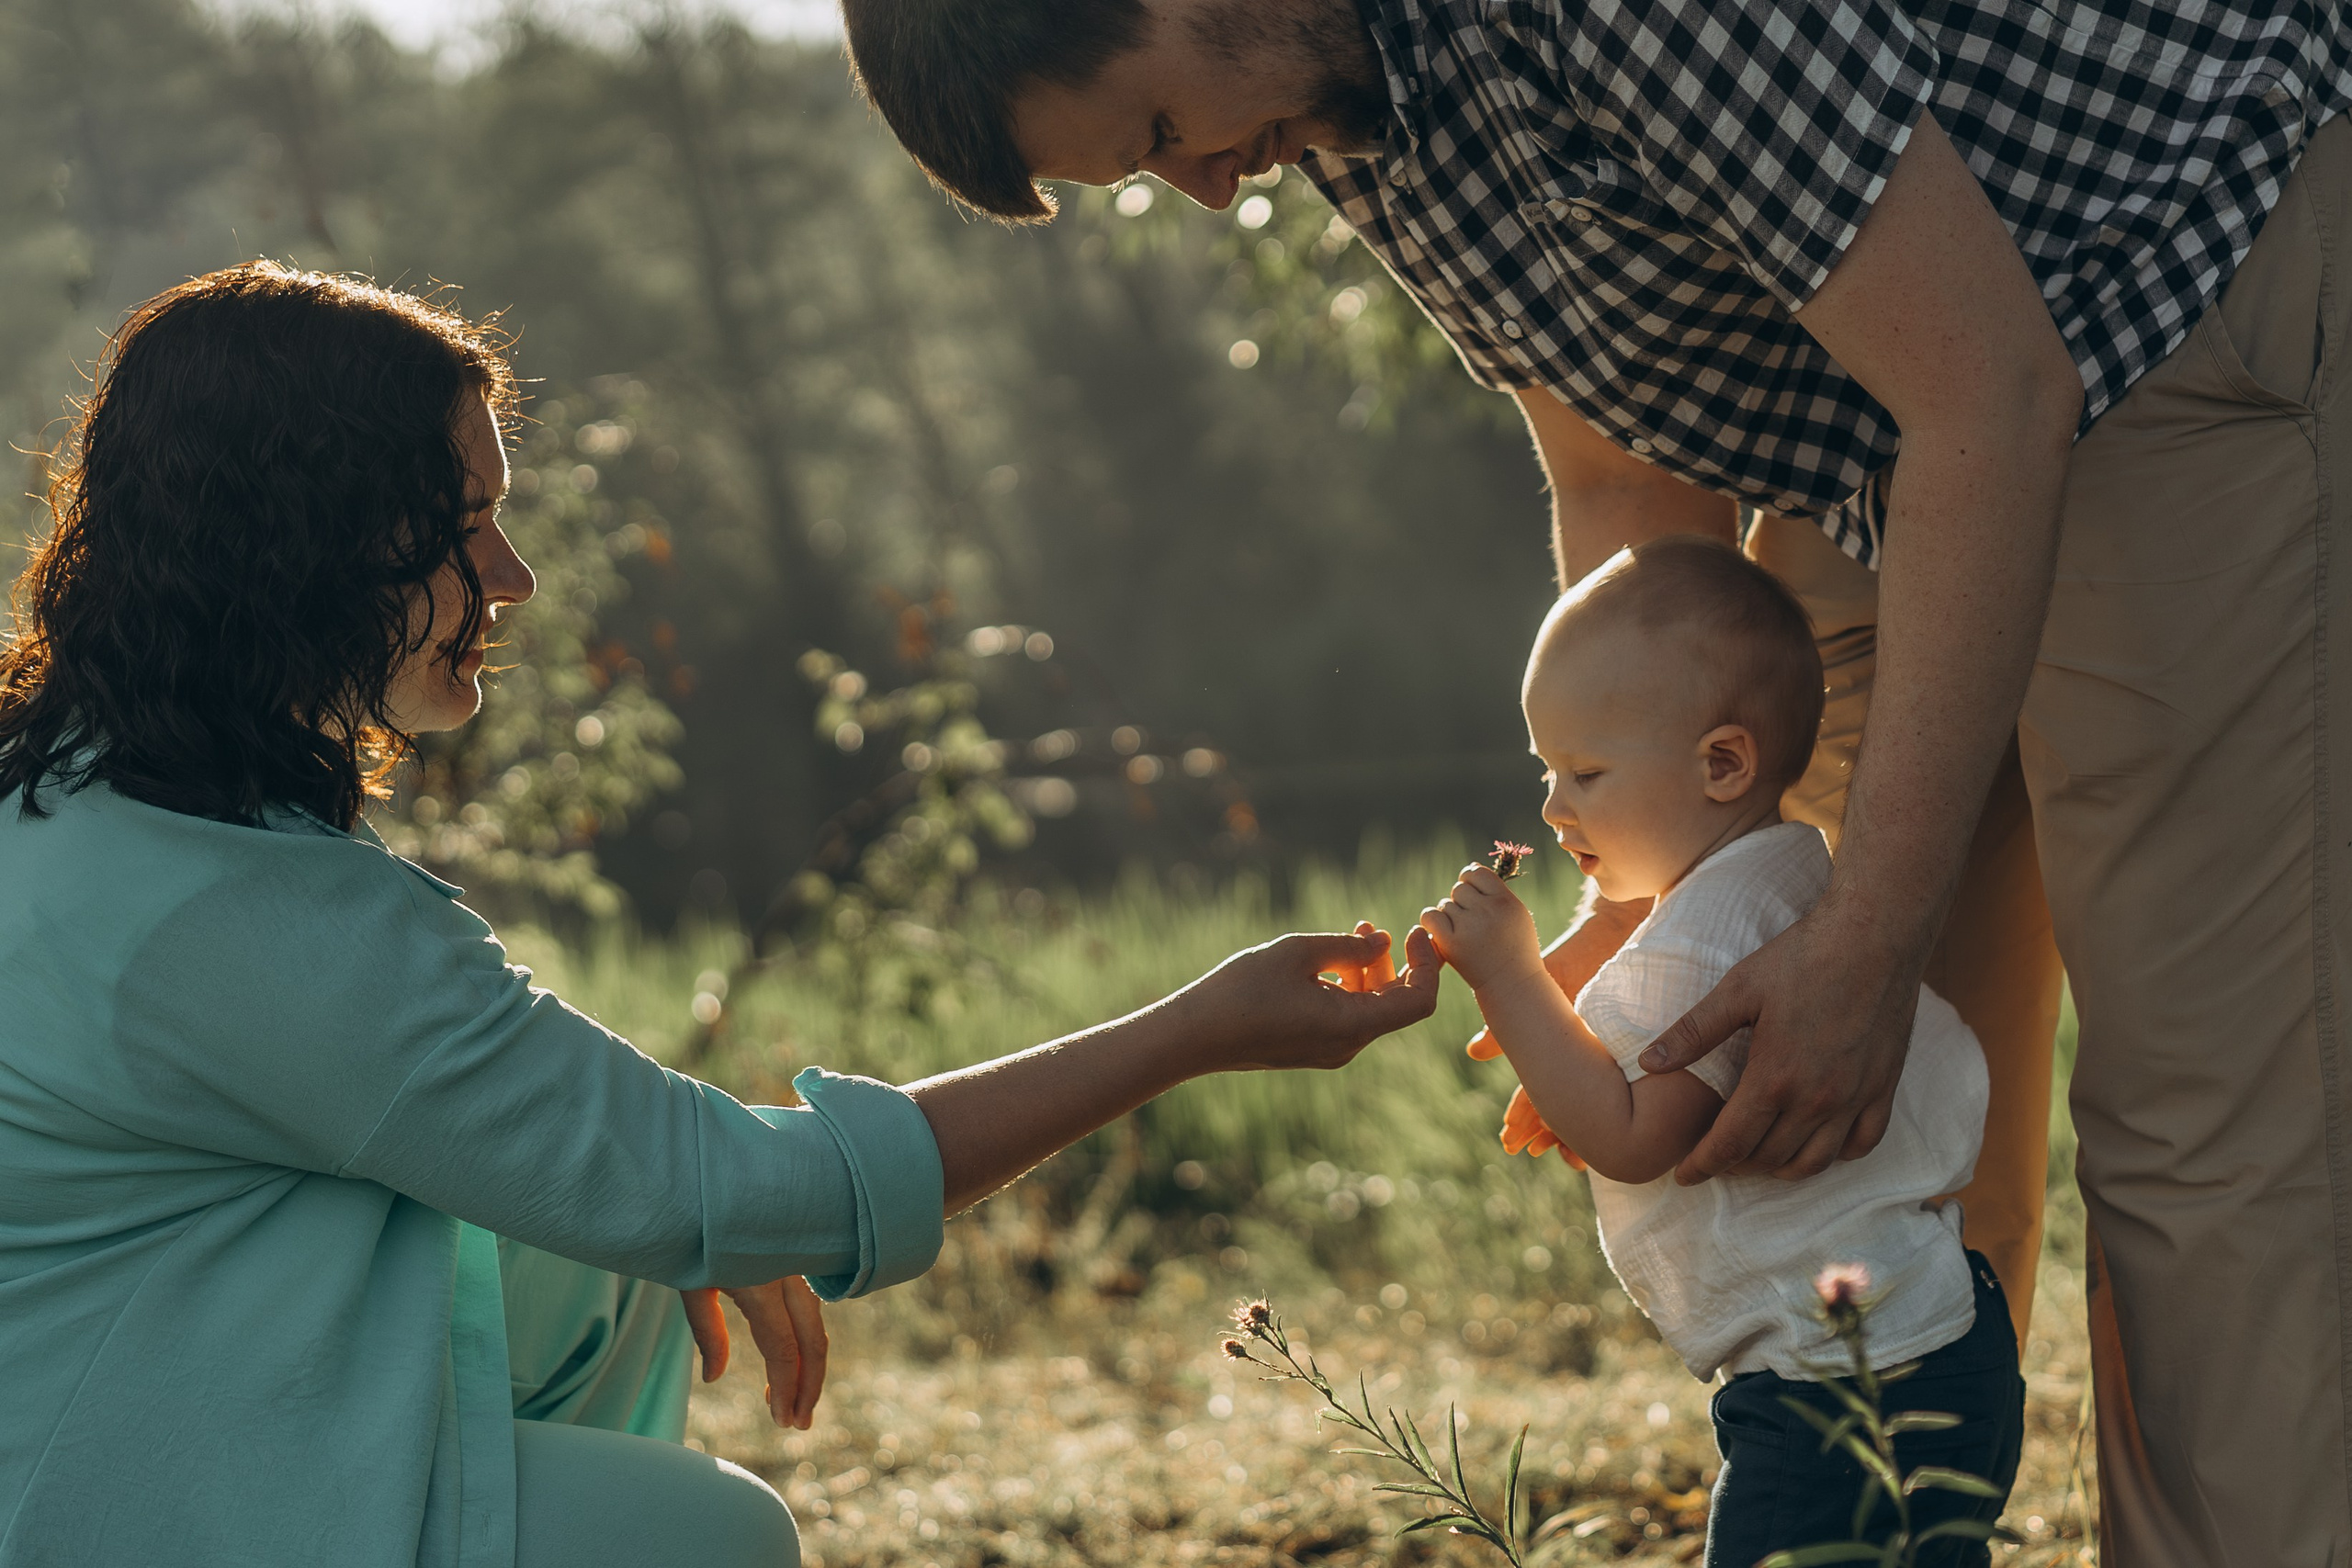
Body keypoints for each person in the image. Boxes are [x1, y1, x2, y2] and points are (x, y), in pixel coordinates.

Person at [838, 0, 2352, 1554]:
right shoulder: (1319, 98)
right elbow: (1624, 467)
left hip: (2176, 296)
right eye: (1150, 176)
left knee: (2208, 1136)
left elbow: (1995, 392)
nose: (1216, 190)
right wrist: (1631, 918)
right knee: (1828, 1117)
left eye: (1159, 135)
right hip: (1891, 433)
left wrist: (1873, 931)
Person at [0, 261, 1440, 1568]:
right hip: (83, 1481)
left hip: (116, 1370)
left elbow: (610, 1160)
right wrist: (1191, 1031)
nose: (515, 578)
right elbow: (729, 1186)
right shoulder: (235, 916)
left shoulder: (86, 797)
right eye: (467, 528)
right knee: (709, 1533)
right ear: (307, 544)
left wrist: (685, 1216)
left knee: (602, 1266)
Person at [1418, 537, 2021, 1564]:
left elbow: (1631, 1134)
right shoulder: (1790, 878)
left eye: (1586, 772)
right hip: (1942, 1342)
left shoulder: (1703, 939)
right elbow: (1630, 1035)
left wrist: (1511, 978)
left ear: (1723, 762)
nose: (1554, 808)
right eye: (1547, 772)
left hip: (1833, 1393)